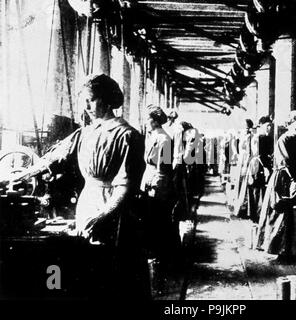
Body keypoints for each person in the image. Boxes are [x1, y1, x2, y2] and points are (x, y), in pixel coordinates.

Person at [8, 74, 149, 298]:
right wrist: (17, 176)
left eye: (91, 100)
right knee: (88, 269)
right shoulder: (85, 133)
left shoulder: (128, 135)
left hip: (115, 209)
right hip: (87, 204)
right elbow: (50, 161)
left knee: (115, 271)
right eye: (84, 101)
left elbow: (126, 186)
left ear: (108, 99)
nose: (87, 107)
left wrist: (104, 215)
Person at [256, 111, 296, 261]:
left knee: (295, 216)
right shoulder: (283, 140)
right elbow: (286, 164)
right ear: (289, 124)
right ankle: (279, 249)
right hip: (283, 179)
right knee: (280, 213)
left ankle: (293, 250)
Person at [140, 104, 180, 289]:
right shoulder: (153, 137)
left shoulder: (164, 139)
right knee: (153, 224)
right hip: (150, 183)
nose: (145, 122)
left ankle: (165, 265)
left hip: (159, 187)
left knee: (160, 223)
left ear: (154, 121)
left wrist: (154, 185)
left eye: (147, 119)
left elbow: (164, 168)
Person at [245, 116, 273, 223]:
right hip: (258, 165)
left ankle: (257, 214)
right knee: (256, 190)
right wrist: (266, 167)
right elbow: (259, 154)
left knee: (258, 190)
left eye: (270, 126)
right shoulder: (259, 138)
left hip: (259, 164)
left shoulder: (264, 137)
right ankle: (255, 215)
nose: (269, 128)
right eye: (267, 126)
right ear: (262, 126)